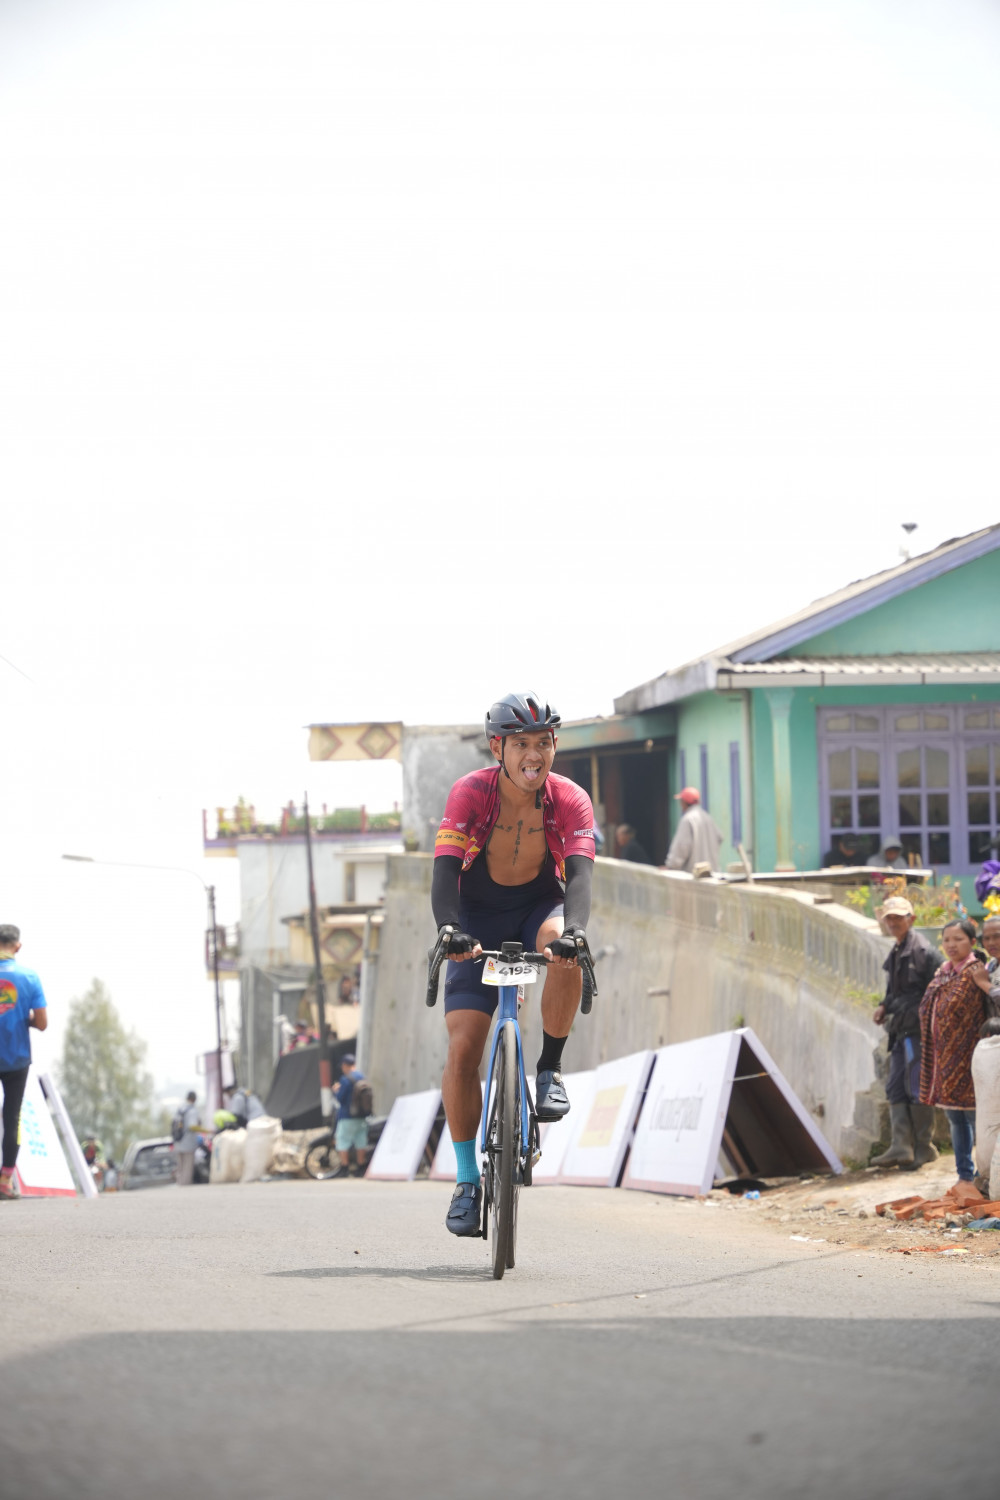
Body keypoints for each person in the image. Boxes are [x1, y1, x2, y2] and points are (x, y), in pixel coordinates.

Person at [432, 691, 598, 1237]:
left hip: (537, 907)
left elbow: (580, 875)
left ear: (554, 745)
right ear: (496, 748)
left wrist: (575, 932)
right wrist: (449, 929)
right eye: (521, 744)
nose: (534, 755)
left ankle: (549, 1068)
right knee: (463, 1050)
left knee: (565, 950)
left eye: (543, 743)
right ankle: (466, 1181)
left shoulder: (569, 798)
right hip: (475, 915)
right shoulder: (470, 792)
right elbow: (445, 870)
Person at [870, 897, 942, 1169]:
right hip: (900, 1029)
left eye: (898, 918)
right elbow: (894, 990)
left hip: (918, 1031)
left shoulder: (924, 952)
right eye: (889, 918)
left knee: (916, 1085)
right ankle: (901, 1146)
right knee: (895, 1085)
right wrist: (884, 1006)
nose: (893, 922)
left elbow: (936, 991)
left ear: (911, 919)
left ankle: (924, 1146)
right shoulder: (898, 950)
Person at [919, 919, 991, 1184]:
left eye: (958, 939)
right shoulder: (942, 973)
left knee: (977, 1119)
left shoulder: (976, 972)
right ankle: (964, 1175)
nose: (951, 945)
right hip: (946, 1062)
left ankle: (985, 1175)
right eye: (947, 939)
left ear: (972, 942)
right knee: (955, 1119)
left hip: (972, 1060)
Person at [0, 924, 48, 1202]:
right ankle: (5, 1181)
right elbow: (42, 1023)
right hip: (16, 1058)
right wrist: (23, 1019)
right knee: (12, 1118)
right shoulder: (29, 977)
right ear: (18, 946)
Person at [665, 787, 723, 874]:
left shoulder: (687, 819)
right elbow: (719, 837)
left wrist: (671, 866)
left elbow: (681, 847)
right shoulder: (707, 817)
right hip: (712, 873)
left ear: (684, 802)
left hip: (694, 875)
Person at [330, 1053, 369, 1178]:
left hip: (347, 1116)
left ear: (345, 1065)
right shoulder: (362, 1077)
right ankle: (361, 1167)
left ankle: (345, 1168)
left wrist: (336, 1091)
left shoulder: (346, 1079)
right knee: (361, 1141)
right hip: (362, 1116)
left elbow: (340, 1099)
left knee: (342, 1140)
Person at [174, 1091, 203, 1187]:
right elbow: (192, 1126)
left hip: (178, 1141)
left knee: (180, 1166)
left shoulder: (180, 1109)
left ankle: (179, 1184)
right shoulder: (192, 1110)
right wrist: (205, 1130)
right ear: (194, 1099)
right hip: (188, 1142)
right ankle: (185, 1186)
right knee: (187, 1167)